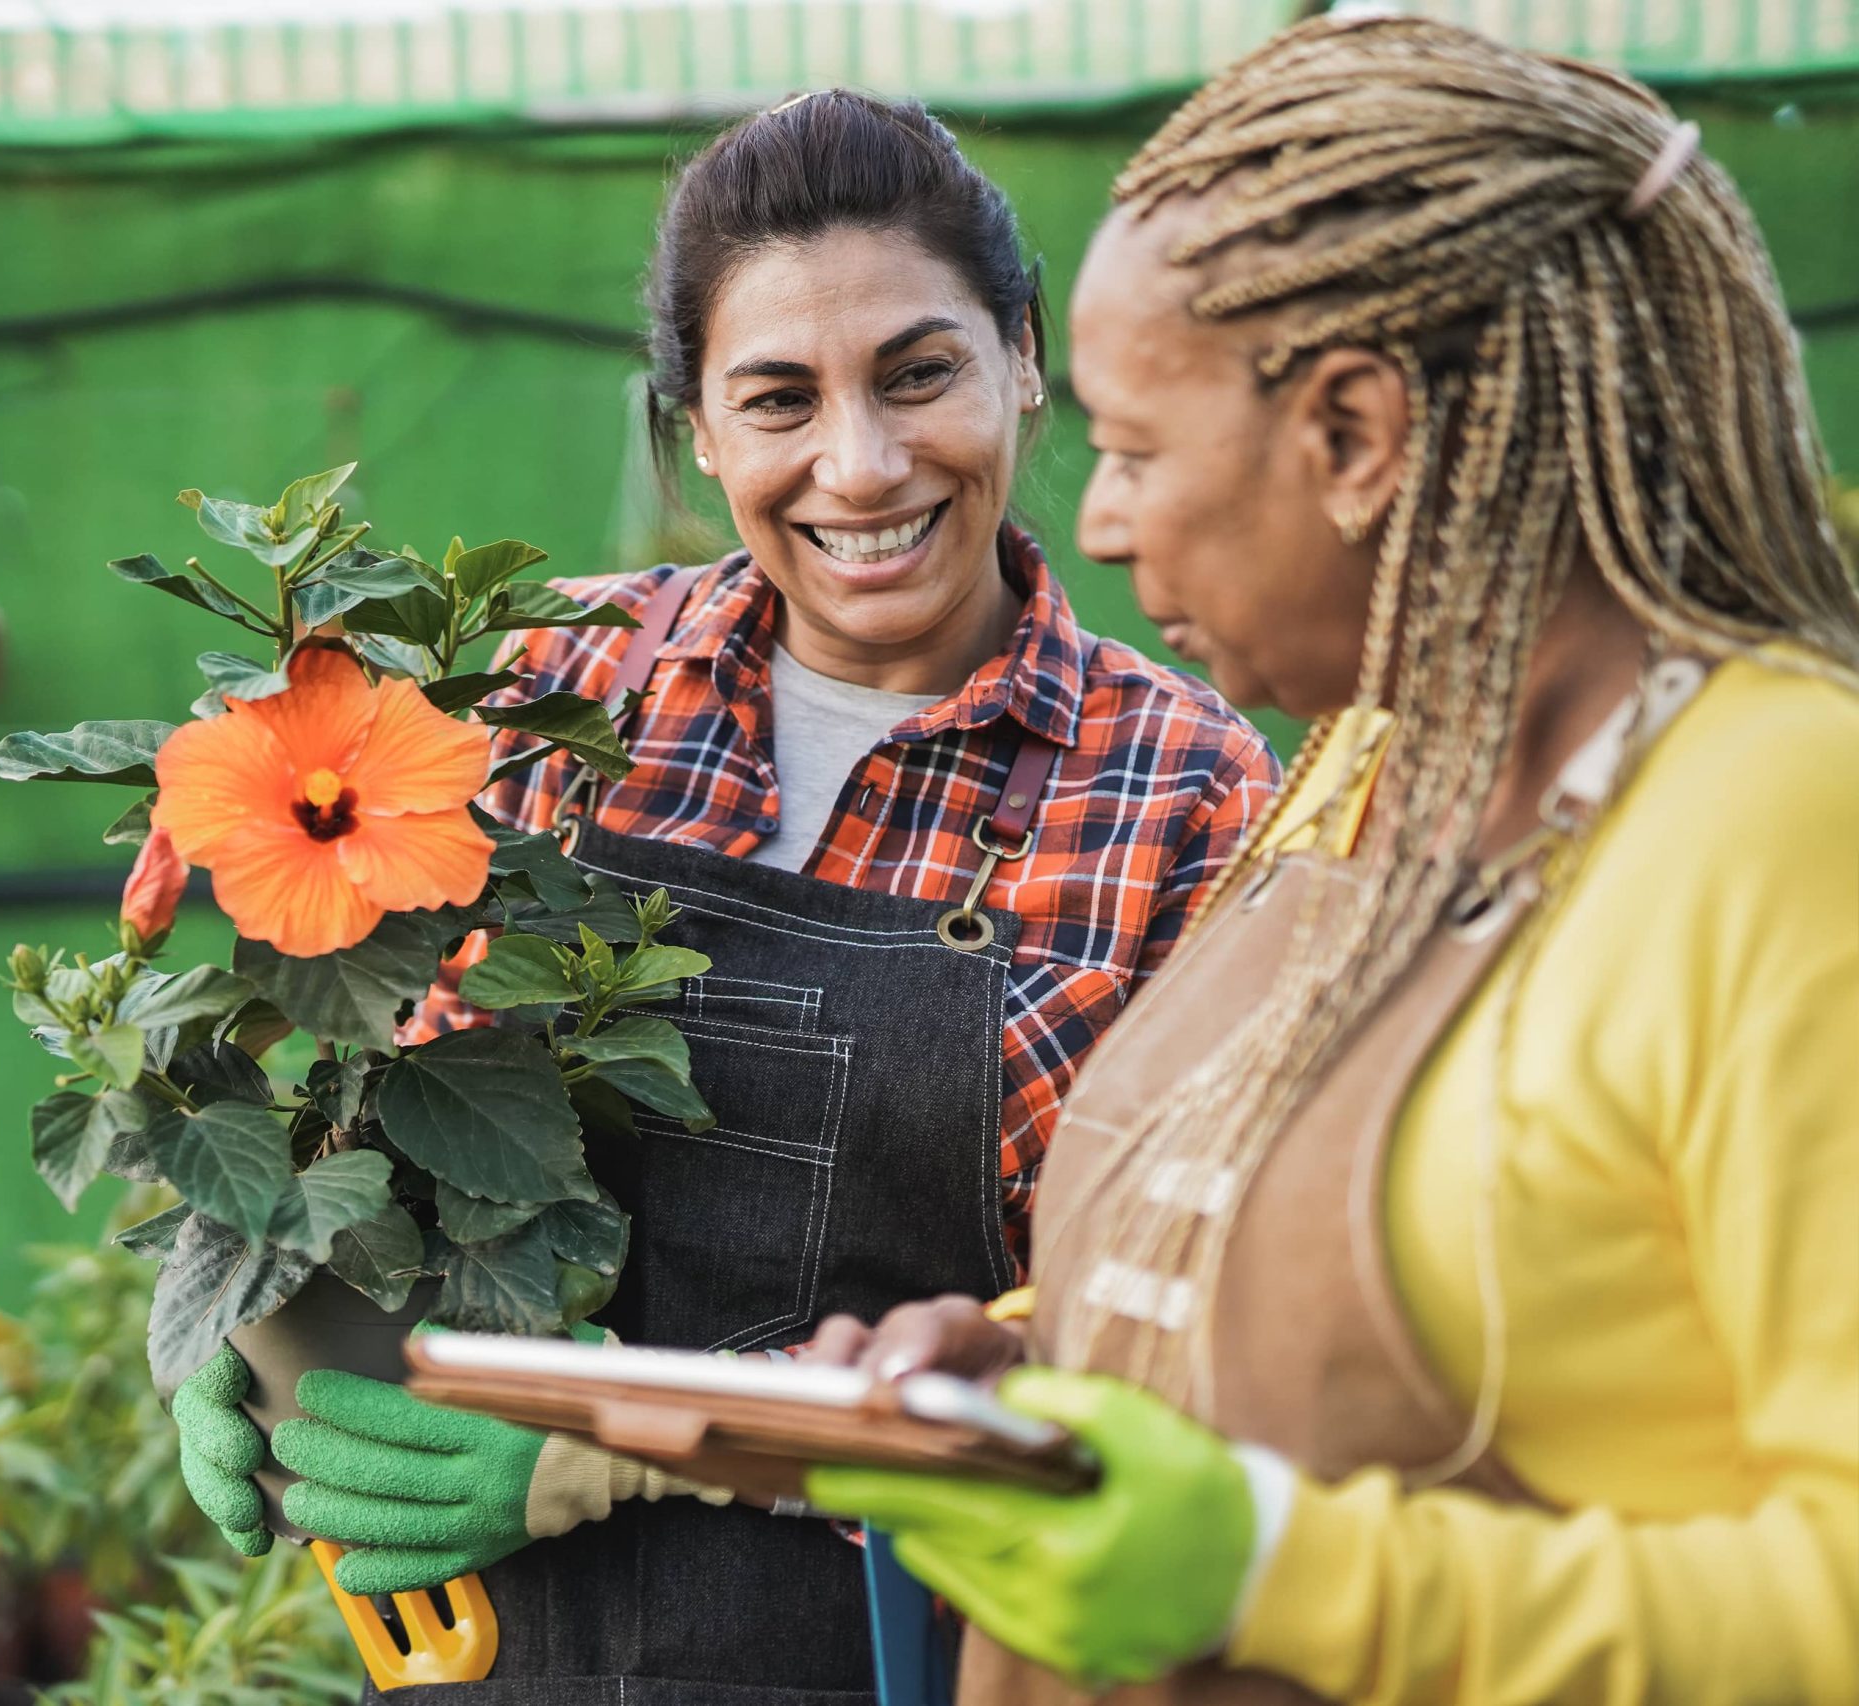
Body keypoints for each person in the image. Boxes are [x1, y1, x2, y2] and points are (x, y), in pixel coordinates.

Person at [164, 90, 1280, 1698]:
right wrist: (250, 1316)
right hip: (499, 1655)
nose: (862, 464)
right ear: (696, 423)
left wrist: (637, 1442)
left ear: (1024, 357)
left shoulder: (1183, 793)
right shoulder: (553, 690)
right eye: (778, 399)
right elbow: (376, 1099)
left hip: (904, 1647)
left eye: (920, 373)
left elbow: (1166, 1335)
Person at [803, 17, 1859, 1704]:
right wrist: (1017, 1374)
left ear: (1357, 433)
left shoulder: (1786, 823)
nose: (1099, 521)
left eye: (1140, 448)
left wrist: (1280, 1570)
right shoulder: (1364, 768)